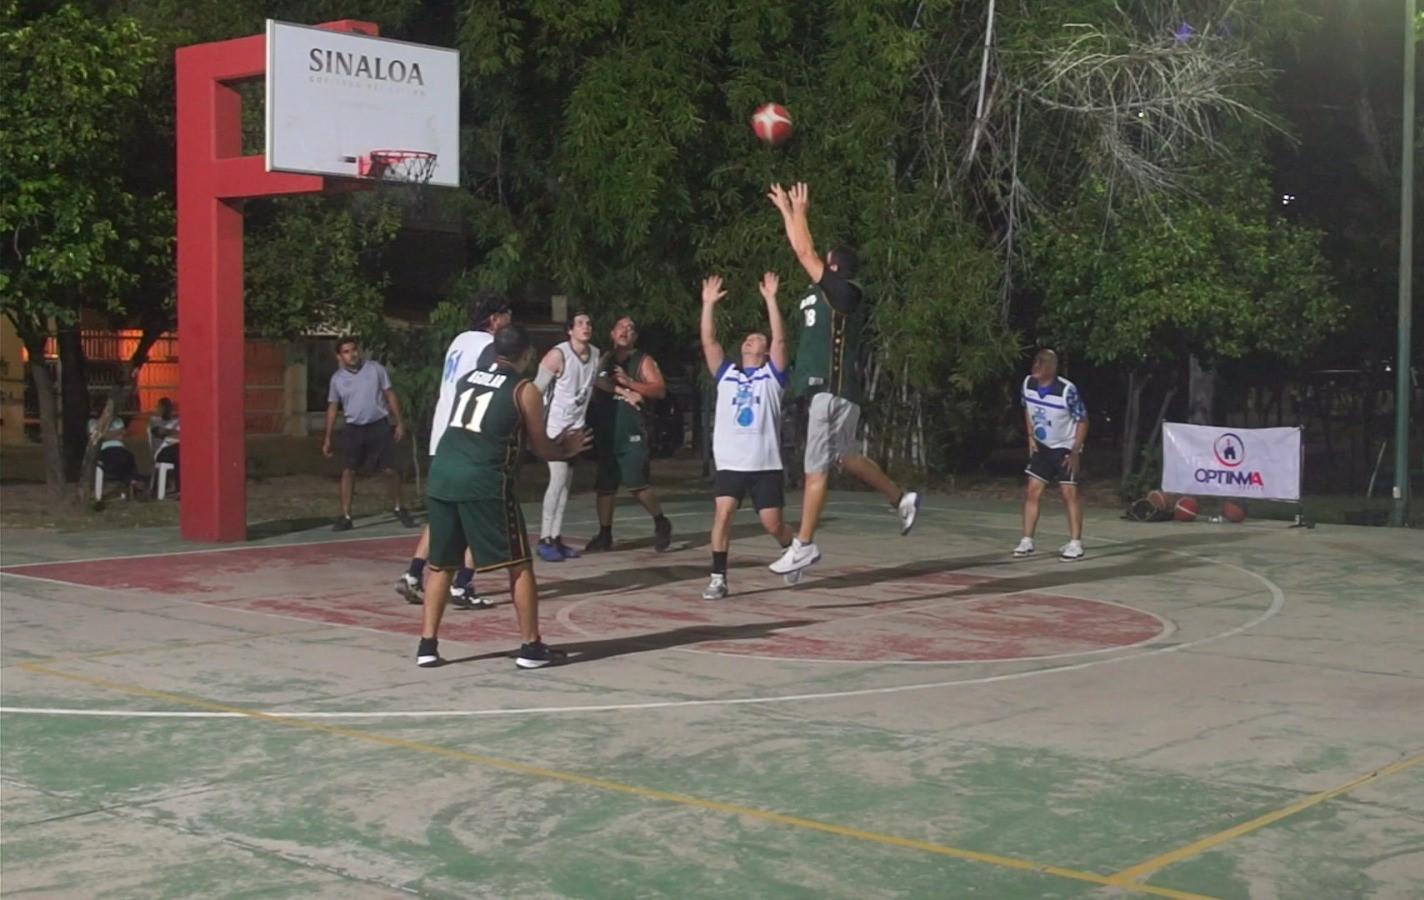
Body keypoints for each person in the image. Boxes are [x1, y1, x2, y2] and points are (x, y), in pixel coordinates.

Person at [765, 181, 919, 576]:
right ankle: (900, 499)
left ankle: (803, 546)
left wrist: (798, 210)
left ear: (833, 266)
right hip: (837, 393)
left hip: (828, 391)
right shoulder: (827, 292)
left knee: (814, 469)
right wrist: (786, 212)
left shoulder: (844, 293)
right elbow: (801, 249)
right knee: (846, 457)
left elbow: (802, 250)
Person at [417, 324, 590, 668]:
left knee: (441, 564)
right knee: (519, 564)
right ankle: (530, 647)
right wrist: (564, 450)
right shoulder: (524, 390)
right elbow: (541, 446)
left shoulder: (468, 379)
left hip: (442, 475)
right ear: (526, 355)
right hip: (483, 481)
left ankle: (427, 645)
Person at [395, 293, 512, 609]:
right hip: (466, 438)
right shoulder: (488, 347)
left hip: (442, 435)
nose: (510, 320)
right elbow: (489, 388)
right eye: (506, 314)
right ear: (494, 319)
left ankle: (413, 574)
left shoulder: (460, 340)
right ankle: (462, 585)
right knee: (475, 510)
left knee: (444, 513)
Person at [698, 272, 800, 600]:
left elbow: (781, 341)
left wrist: (771, 299)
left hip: (765, 463)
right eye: (747, 338)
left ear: (767, 352)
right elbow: (709, 342)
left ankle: (796, 551)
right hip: (730, 463)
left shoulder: (773, 376)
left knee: (773, 525)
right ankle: (718, 577)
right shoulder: (727, 374)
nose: (749, 340)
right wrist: (708, 305)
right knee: (723, 513)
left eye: (757, 339)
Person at [583, 316, 674, 553]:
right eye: (621, 327)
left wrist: (631, 383)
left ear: (634, 337)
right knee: (605, 485)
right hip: (608, 430)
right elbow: (596, 383)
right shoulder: (604, 359)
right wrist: (622, 390)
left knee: (637, 484)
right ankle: (605, 534)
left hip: (633, 431)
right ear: (612, 333)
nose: (625, 331)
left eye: (630, 328)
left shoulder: (642, 361)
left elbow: (659, 390)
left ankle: (661, 521)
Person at [322, 336, 417, 532]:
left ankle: (399, 507)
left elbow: (389, 394)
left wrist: (399, 422)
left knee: (390, 470)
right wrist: (328, 436)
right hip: (353, 428)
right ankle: (346, 516)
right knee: (348, 471)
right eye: (346, 352)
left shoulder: (375, 369)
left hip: (378, 426)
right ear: (339, 356)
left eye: (354, 350)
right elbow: (333, 407)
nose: (352, 354)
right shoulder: (337, 379)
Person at [535, 312, 600, 562]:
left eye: (589, 322)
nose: (586, 326)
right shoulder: (557, 355)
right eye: (580, 323)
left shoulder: (594, 354)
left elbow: (591, 388)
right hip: (554, 429)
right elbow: (536, 389)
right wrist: (536, 428)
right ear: (570, 331)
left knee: (566, 485)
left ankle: (556, 536)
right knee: (558, 480)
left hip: (575, 429)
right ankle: (544, 538)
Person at [1012, 349, 1089, 561]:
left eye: (1042, 363)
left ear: (1051, 368)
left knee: (1068, 494)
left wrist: (1075, 451)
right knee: (1032, 491)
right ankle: (1027, 540)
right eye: (1036, 362)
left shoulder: (1066, 390)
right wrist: (1030, 435)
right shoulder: (1028, 384)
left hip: (1064, 447)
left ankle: (1075, 543)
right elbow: (1027, 409)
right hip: (1042, 446)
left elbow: (1082, 420)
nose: (1036, 366)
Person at [89, 404, 139, 493]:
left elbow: (120, 436)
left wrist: (106, 434)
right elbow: (98, 438)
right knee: (116, 457)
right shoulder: (93, 422)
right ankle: (127, 482)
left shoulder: (118, 421)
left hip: (120, 448)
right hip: (104, 450)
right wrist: (117, 432)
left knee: (129, 456)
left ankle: (132, 482)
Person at [148, 397, 180, 493]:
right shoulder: (154, 420)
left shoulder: (177, 421)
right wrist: (175, 432)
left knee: (184, 452)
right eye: (162, 407)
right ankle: (178, 487)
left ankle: (178, 486)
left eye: (167, 407)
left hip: (176, 448)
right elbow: (160, 432)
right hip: (162, 452)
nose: (165, 409)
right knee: (180, 452)